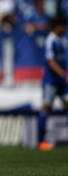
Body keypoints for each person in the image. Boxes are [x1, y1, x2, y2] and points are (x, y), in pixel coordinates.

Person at [38, 16, 67, 151]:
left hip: (61, 81)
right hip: (51, 81)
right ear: (57, 26)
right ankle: (41, 141)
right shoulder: (49, 41)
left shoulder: (60, 40)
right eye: (63, 25)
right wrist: (63, 74)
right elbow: (50, 62)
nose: (65, 28)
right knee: (46, 108)